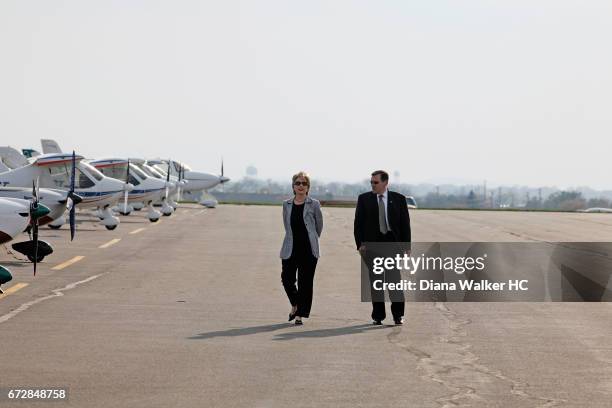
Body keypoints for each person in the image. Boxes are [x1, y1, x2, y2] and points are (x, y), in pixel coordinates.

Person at [354, 170, 411, 325]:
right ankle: (378, 316)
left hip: (392, 244)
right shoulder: (364, 199)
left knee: (394, 281)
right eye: (371, 182)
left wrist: (407, 246)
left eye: (376, 182)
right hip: (372, 246)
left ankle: (398, 315)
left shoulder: (398, 199)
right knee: (376, 282)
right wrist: (360, 245)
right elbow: (358, 224)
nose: (373, 185)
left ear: (385, 183)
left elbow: (405, 224)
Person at [280, 172, 323, 325]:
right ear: (293, 186)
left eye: (304, 183)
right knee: (287, 279)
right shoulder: (286, 204)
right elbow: (287, 226)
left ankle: (299, 315)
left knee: (305, 283)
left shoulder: (314, 204)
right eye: (298, 183)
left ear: (308, 187)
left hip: (309, 250)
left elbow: (318, 227)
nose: (300, 186)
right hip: (290, 247)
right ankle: (295, 304)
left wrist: (311, 239)